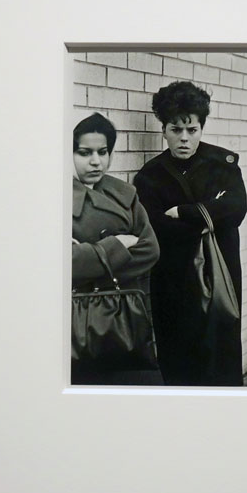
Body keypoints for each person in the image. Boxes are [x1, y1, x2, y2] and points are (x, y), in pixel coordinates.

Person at [133, 81, 247, 386]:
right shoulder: (150, 175)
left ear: (201, 128)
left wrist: (185, 212)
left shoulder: (222, 165)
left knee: (221, 351)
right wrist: (210, 215)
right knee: (177, 353)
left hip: (219, 271)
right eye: (175, 130)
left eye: (192, 130)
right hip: (173, 277)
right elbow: (155, 226)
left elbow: (236, 209)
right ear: (163, 130)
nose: (184, 138)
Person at [71, 113, 161, 385]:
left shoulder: (125, 194)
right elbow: (60, 265)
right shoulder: (52, 197)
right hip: (78, 321)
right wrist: (118, 245)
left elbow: (150, 250)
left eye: (103, 152)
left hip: (125, 316)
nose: (96, 161)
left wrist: (89, 256)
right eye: (84, 153)